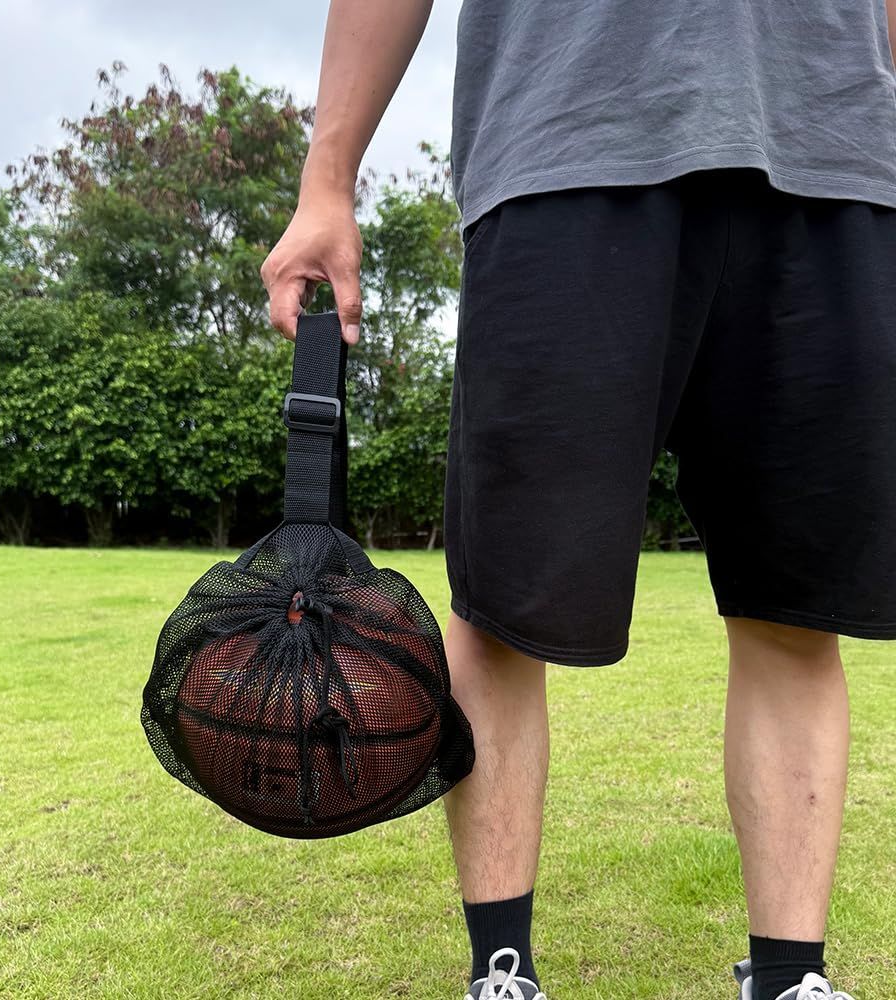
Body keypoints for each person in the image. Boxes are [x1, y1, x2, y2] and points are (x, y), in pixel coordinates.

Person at [260, 2, 896, 997]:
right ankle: (502, 970)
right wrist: (326, 180)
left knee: (796, 610)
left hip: (832, 161)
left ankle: (787, 978)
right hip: (564, 143)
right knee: (503, 607)